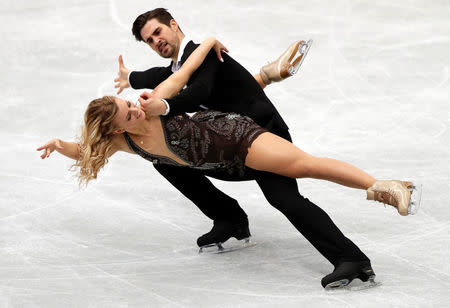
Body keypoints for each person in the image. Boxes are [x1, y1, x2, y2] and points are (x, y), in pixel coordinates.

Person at [38, 37, 420, 289]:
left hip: (239, 140)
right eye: (126, 112)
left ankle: (384, 187)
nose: (133, 108)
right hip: (224, 167)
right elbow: (86, 151)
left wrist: (206, 42)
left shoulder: (151, 105)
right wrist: (59, 144)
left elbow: (185, 73)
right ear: (115, 127)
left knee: (305, 166)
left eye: (128, 105)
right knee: (169, 166)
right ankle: (233, 221)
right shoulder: (124, 143)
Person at [117, 8, 376, 290]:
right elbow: (152, 76)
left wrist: (165, 105)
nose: (157, 41)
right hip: (231, 145)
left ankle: (352, 259)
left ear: (173, 24)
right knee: (165, 160)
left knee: (284, 199)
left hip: (263, 136)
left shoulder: (206, 55)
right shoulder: (174, 69)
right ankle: (230, 219)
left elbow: (199, 93)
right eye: (149, 41)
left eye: (158, 32)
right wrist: (129, 77)